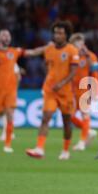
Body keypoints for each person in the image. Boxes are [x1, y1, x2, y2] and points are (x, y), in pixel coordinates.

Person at [0, 29, 46, 153]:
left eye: (8, 35)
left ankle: (7, 145)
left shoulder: (14, 51)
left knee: (10, 116)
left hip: (10, 91)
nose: (6, 37)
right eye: (3, 35)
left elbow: (32, 52)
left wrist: (46, 48)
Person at [26, 21, 79, 160]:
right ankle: (39, 149)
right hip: (50, 91)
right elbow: (47, 65)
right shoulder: (49, 49)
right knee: (45, 118)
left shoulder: (71, 50)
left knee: (66, 121)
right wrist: (50, 78)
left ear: (66, 35)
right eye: (55, 32)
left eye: (60, 33)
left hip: (65, 92)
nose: (57, 35)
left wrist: (61, 83)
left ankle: (66, 151)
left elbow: (73, 72)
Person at [69, 33, 98, 151]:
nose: (80, 45)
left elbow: (95, 74)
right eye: (77, 43)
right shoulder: (70, 55)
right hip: (71, 91)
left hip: (84, 90)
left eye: (81, 42)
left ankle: (82, 143)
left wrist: (95, 92)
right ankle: (88, 130)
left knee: (85, 114)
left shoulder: (90, 56)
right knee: (69, 116)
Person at [0, 63, 22, 141]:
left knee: (8, 112)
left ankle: (7, 133)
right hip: (1, 91)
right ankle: (9, 133)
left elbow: (18, 77)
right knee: (4, 113)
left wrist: (14, 88)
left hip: (9, 91)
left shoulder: (12, 63)